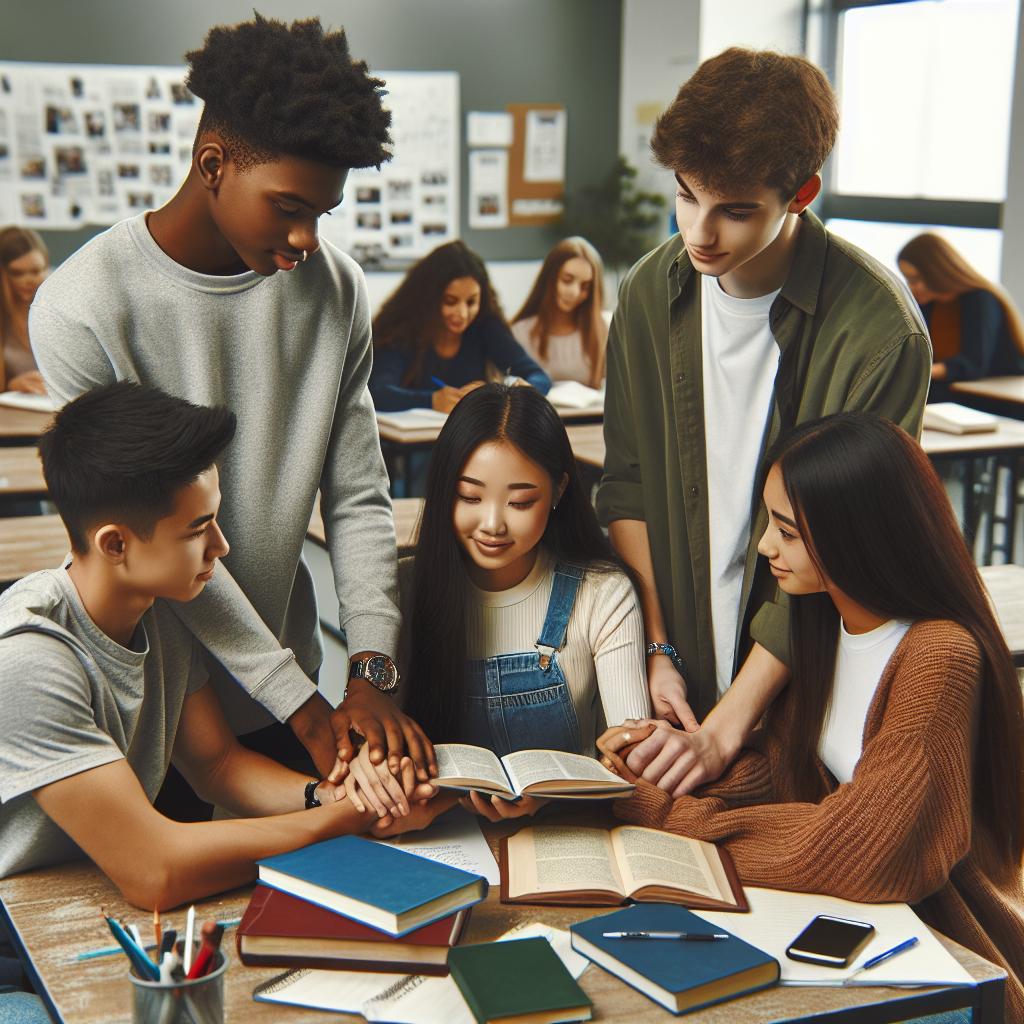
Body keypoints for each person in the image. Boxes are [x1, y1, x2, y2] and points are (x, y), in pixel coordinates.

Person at [28, 16, 433, 804]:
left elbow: (356, 498)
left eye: (323, 212)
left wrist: (370, 672)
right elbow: (154, 533)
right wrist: (301, 703)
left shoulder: (335, 291)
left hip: (294, 693)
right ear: (212, 164)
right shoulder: (80, 308)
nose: (306, 237)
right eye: (287, 205)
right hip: (154, 709)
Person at [0, 384, 450, 1018]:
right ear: (115, 544)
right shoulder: (29, 659)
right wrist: (346, 820)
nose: (222, 548)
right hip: (15, 936)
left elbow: (218, 766)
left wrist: (346, 795)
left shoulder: (160, 611)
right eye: (198, 528)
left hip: (88, 899)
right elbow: (153, 869)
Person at [600, 412, 1024, 1021]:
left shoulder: (939, 656)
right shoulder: (822, 623)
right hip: (853, 933)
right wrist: (654, 765)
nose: (766, 547)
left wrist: (666, 811)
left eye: (787, 532)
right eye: (768, 522)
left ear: (859, 537)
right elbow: (785, 771)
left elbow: (866, 851)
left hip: (942, 965)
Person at [596, 47, 931, 798]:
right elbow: (629, 488)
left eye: (735, 209)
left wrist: (730, 725)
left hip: (807, 687)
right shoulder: (650, 292)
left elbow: (841, 542)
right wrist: (655, 647)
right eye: (685, 196)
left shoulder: (880, 333)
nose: (699, 231)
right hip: (676, 666)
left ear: (801, 193)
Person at [346, 383, 650, 823]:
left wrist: (557, 794)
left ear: (560, 491)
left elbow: (632, 761)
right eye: (470, 496)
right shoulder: (403, 588)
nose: (492, 524)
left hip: (566, 833)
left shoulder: (602, 592)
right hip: (433, 830)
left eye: (521, 502)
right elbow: (375, 737)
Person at [370, 241, 551, 413]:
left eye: (471, 302)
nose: (462, 313)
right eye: (450, 301)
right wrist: (431, 400)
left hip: (471, 438)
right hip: (410, 441)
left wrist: (525, 390)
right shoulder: (403, 330)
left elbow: (538, 376)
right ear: (429, 298)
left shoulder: (485, 326)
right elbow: (378, 391)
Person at [897, 232, 1024, 401]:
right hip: (956, 390)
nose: (912, 287)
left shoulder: (980, 299)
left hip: (991, 396)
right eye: (908, 280)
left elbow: (973, 364)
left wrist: (922, 371)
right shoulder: (928, 305)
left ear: (937, 272)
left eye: (916, 279)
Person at [511, 237, 607, 388]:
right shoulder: (521, 332)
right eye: (567, 280)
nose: (574, 292)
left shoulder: (603, 329)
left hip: (591, 411)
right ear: (550, 277)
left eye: (585, 286)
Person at [0, 226, 49, 395]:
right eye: (17, 273)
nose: (28, 280)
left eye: (36, 271)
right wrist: (11, 386)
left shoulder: (54, 312)